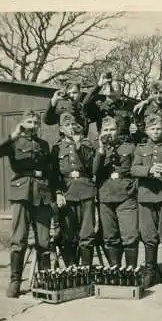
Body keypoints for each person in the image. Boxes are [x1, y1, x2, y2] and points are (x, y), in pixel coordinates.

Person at [0, 109, 55, 298]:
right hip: (21, 193)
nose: (33, 126)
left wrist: (53, 194)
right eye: (29, 122)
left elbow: (50, 170)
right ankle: (15, 282)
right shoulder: (14, 142)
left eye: (36, 123)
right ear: (22, 123)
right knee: (19, 240)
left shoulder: (44, 145)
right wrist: (13, 136)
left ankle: (45, 281)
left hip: (42, 194)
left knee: (44, 240)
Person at [131, 114, 162, 291]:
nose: (156, 132)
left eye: (159, 128)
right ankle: (150, 272)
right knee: (148, 236)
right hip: (146, 196)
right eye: (152, 129)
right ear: (146, 130)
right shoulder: (140, 148)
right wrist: (149, 170)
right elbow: (134, 168)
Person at [92, 116, 139, 268]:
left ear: (118, 131)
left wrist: (135, 186)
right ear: (100, 132)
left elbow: (137, 168)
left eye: (112, 129)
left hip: (126, 195)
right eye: (105, 130)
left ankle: (131, 272)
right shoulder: (98, 149)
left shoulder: (129, 147)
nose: (109, 133)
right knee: (110, 237)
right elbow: (94, 171)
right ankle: (116, 271)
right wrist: (101, 149)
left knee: (129, 236)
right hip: (105, 196)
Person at [52, 112, 96, 267]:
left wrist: (79, 147)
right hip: (67, 192)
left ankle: (86, 271)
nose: (70, 128)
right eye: (67, 125)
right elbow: (54, 174)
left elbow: (91, 166)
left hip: (86, 190)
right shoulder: (57, 148)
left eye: (73, 125)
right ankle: (72, 270)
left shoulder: (87, 144)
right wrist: (58, 193)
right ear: (61, 129)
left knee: (87, 233)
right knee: (68, 234)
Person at [82, 73, 136, 142]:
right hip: (102, 141)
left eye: (115, 86)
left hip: (122, 143)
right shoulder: (98, 106)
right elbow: (85, 104)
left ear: (120, 92)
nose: (111, 87)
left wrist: (134, 130)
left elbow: (134, 129)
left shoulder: (127, 107)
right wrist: (99, 85)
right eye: (108, 86)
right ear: (103, 90)